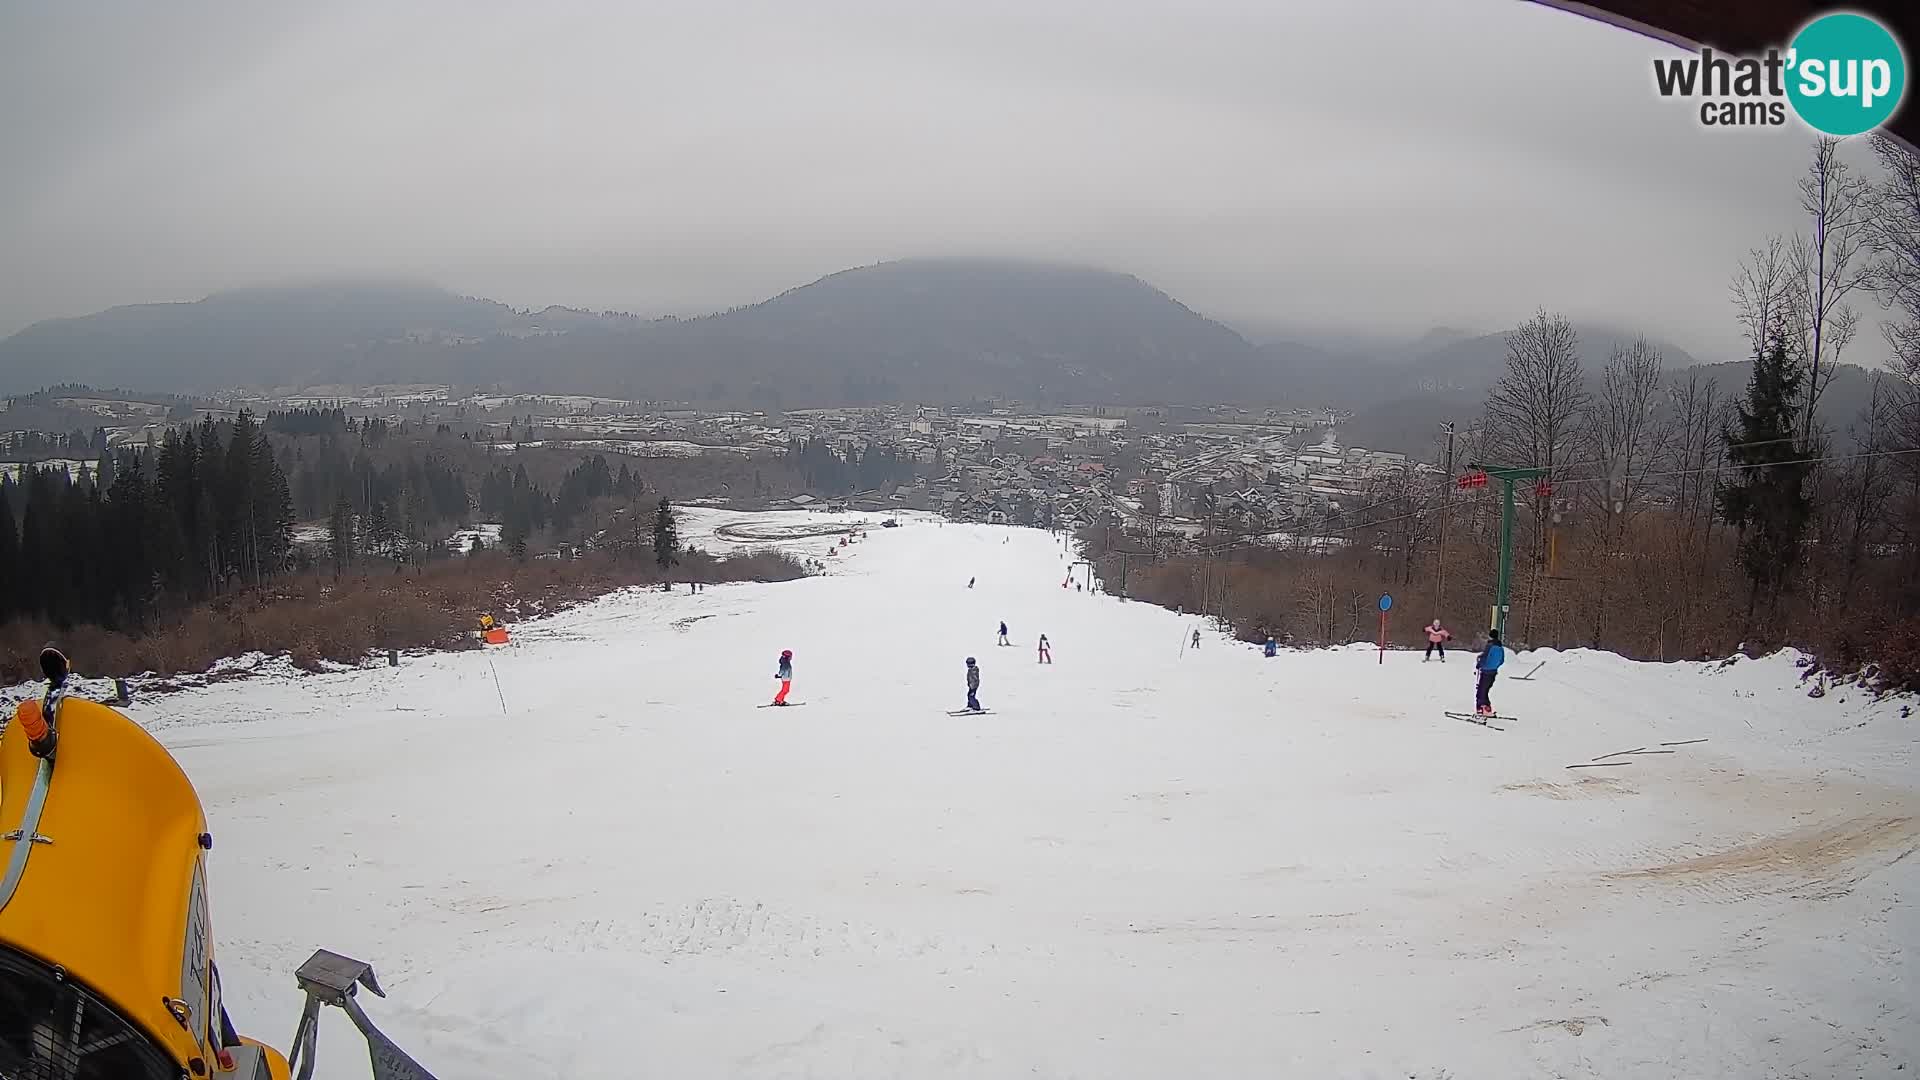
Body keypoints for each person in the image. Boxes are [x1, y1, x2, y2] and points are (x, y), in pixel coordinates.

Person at [1474, 629, 1506, 715]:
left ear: (1490, 636)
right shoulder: (1500, 647)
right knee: (1485, 690)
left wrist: (1479, 664)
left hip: (1486, 670)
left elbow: (1485, 657)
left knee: (1481, 690)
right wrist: (1495, 666)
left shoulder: (1490, 645)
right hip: (1493, 671)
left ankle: (1481, 708)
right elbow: (1502, 660)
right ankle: (1487, 708)